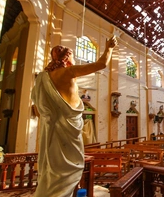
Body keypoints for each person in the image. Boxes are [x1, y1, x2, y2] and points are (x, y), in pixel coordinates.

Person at [31, 36, 117, 197]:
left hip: (52, 129)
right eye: (72, 55)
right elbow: (101, 64)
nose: (74, 58)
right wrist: (109, 48)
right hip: (68, 127)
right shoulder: (68, 71)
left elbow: (38, 107)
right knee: (68, 166)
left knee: (54, 166)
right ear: (66, 57)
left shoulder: (43, 78)